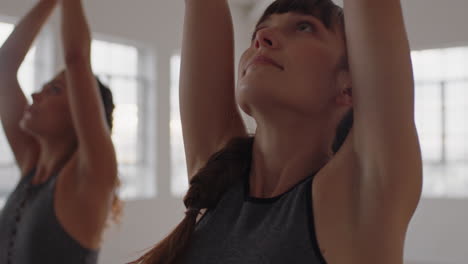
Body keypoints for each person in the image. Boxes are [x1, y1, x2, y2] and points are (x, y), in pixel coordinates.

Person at [134, 0, 422, 263]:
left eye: (303, 27)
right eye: (259, 31)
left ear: (349, 85)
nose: (262, 39)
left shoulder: (361, 195)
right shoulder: (221, 184)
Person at [0, 0, 120, 263]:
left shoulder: (90, 176)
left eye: (53, 90)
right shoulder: (33, 161)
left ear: (80, 114)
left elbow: (76, 58)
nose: (34, 94)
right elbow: (4, 65)